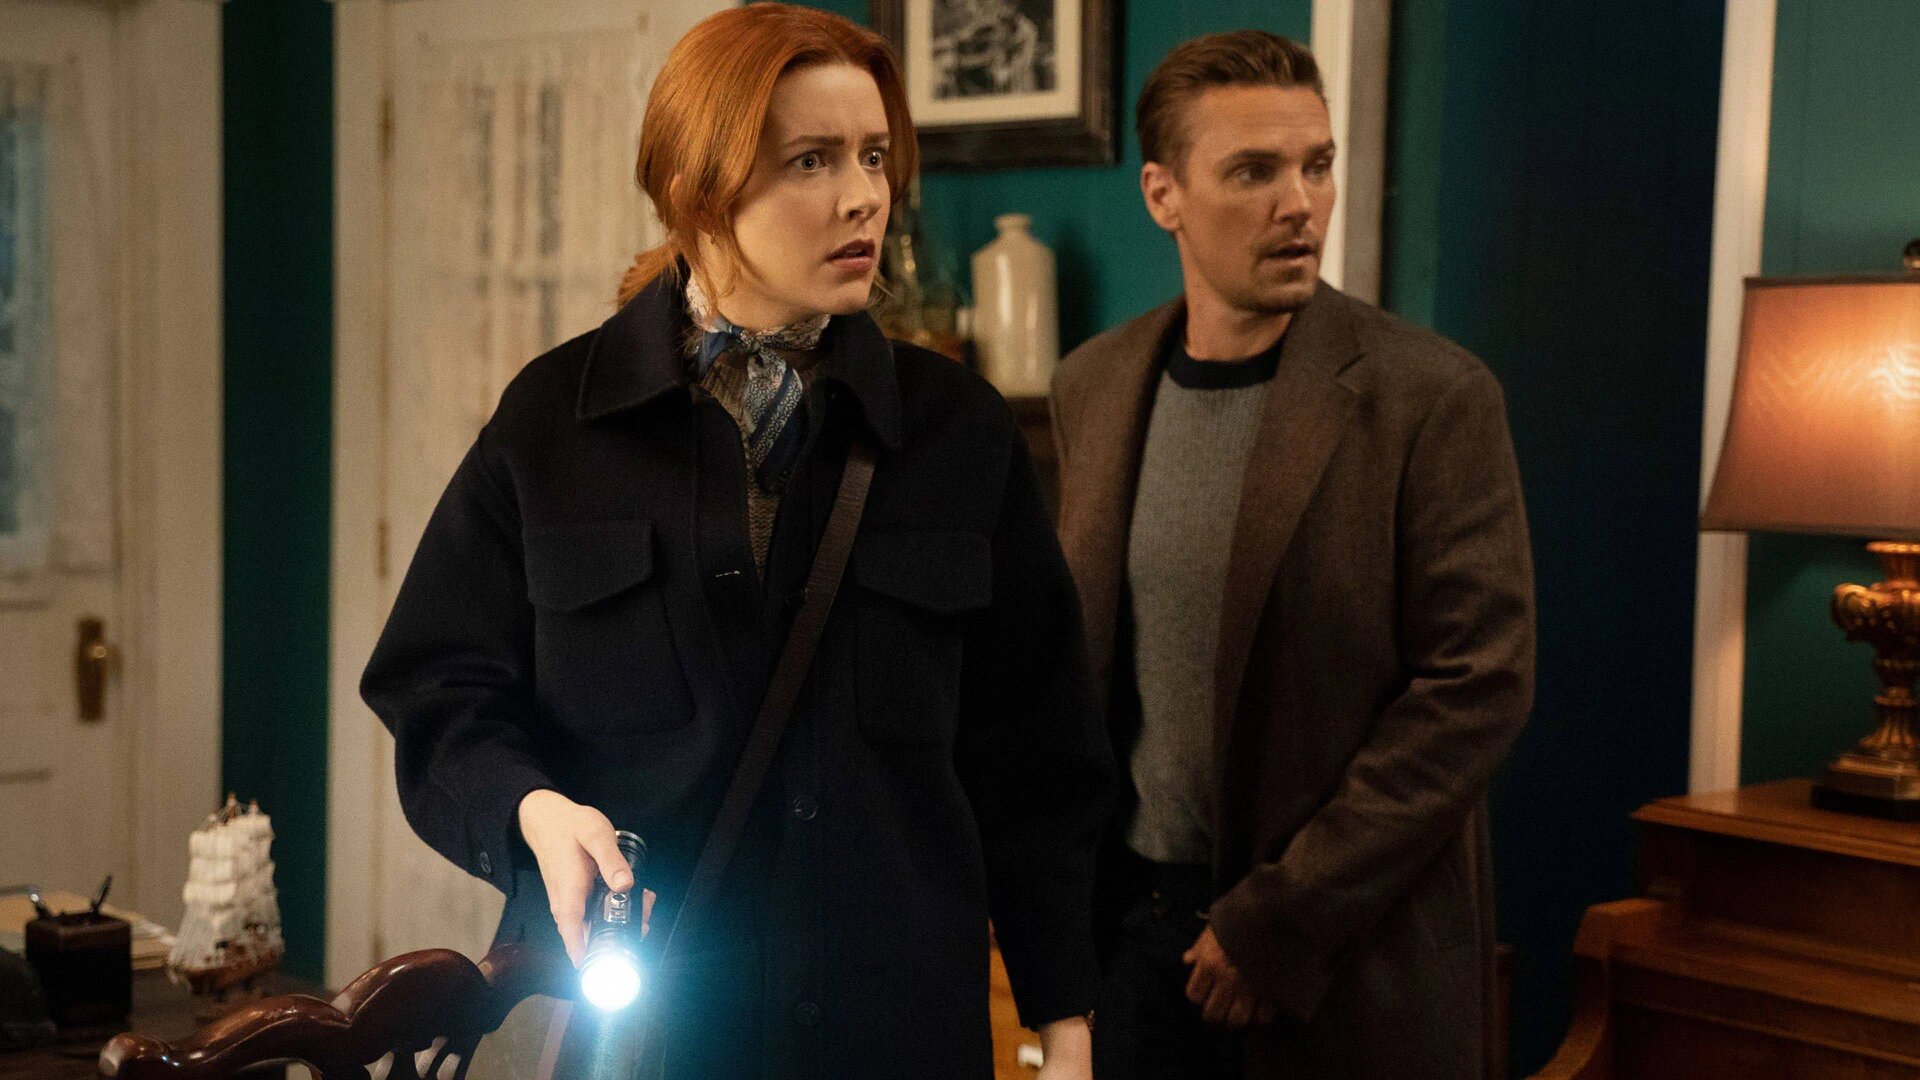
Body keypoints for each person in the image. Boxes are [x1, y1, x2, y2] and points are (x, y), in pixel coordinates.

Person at [361, 7, 1112, 1078]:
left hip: (897, 1037)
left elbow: (1040, 756)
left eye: (873, 156)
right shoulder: (556, 423)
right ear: (698, 190)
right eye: (812, 160)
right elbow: (436, 687)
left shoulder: (958, 432)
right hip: (653, 1041)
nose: (864, 196)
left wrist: (1065, 1021)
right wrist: (531, 810)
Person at [1050, 30, 1535, 1080]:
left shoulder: (1430, 397)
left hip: (1342, 954)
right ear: (1163, 195)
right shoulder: (1094, 384)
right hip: (1136, 941)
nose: (1300, 204)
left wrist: (1280, 919)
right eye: (1253, 172)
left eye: (1317, 165)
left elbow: (1476, 687)